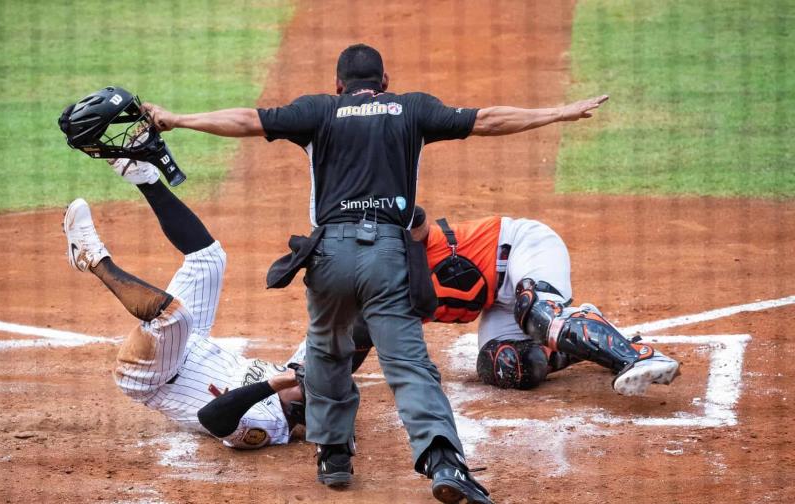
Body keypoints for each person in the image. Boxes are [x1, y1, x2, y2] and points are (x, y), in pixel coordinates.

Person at [140, 43, 607, 503]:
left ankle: (334, 457)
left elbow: (246, 120)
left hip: (329, 254)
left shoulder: (319, 110)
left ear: (339, 85)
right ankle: (444, 463)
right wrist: (558, 113)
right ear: (385, 83)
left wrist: (177, 119)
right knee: (408, 365)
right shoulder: (412, 109)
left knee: (325, 355)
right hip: (389, 254)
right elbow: (488, 120)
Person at [62, 148, 311, 450]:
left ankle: (92, 258)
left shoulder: (265, 425)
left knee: (175, 316)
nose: (299, 378)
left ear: (297, 409)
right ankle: (142, 175)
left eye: (302, 386)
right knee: (209, 260)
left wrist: (273, 384)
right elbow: (342, 335)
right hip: (192, 344)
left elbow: (213, 419)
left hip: (151, 376)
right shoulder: (297, 380)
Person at [408, 206, 680, 395]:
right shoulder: (377, 292)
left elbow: (415, 216)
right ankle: (580, 334)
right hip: (497, 302)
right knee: (504, 365)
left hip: (521, 247)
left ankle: (638, 356)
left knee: (537, 313)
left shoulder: (394, 242)